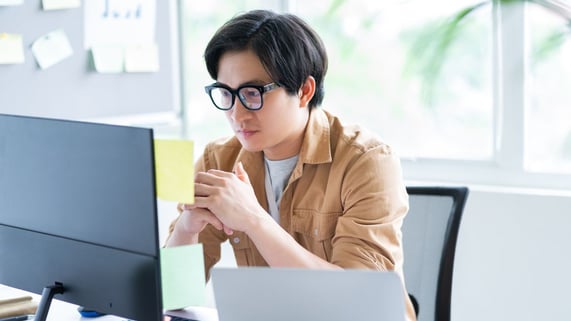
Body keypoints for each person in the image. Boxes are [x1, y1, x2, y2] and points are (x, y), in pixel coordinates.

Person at [165, 9, 416, 321]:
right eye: (226, 94)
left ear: (304, 91)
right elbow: (170, 298)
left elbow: (355, 305)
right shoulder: (219, 159)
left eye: (252, 93)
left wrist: (254, 219)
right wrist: (187, 229)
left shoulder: (367, 162)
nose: (237, 114)